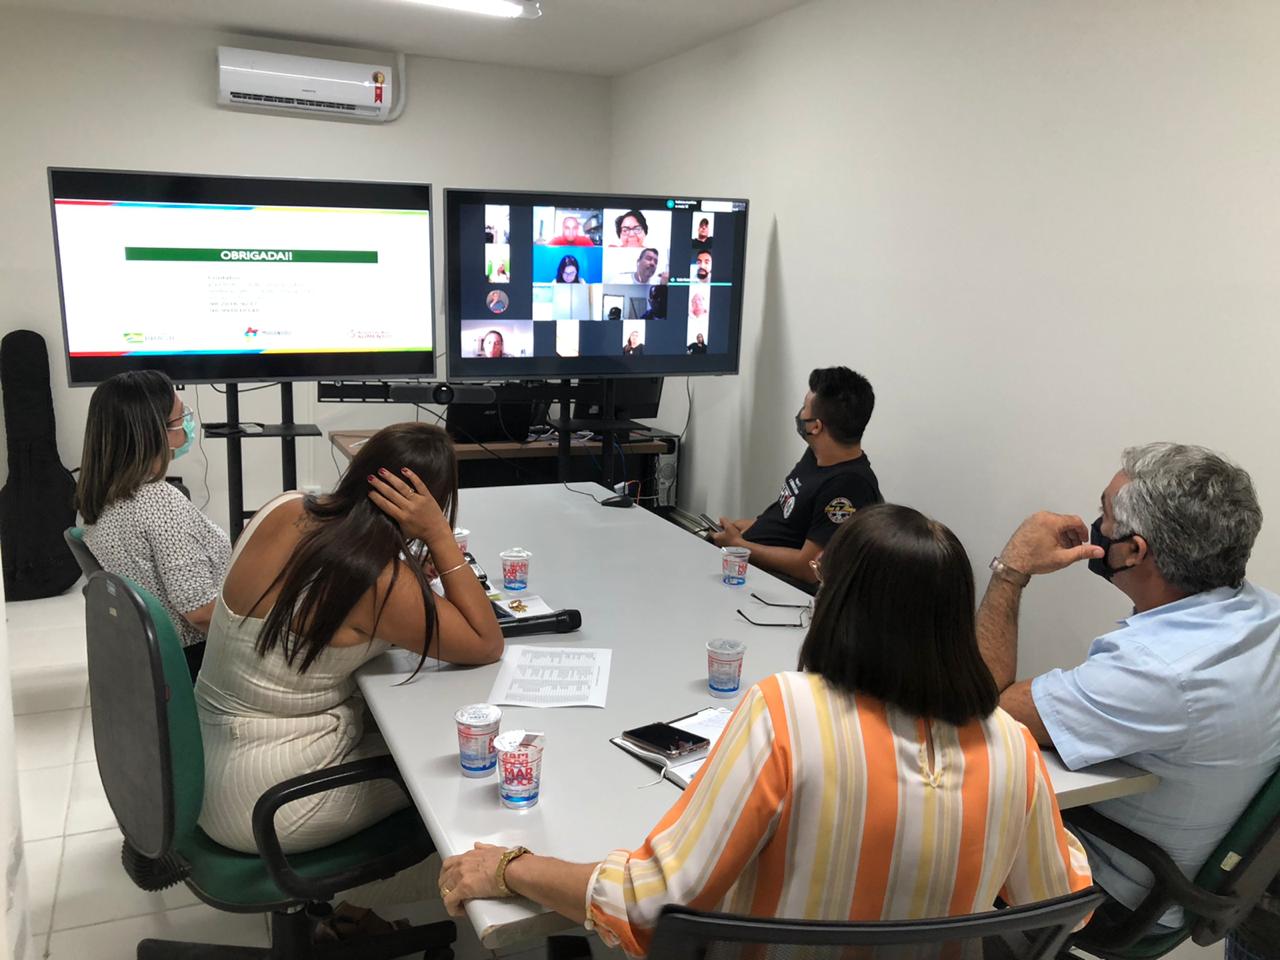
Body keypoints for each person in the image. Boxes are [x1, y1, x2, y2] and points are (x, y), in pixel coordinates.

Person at [438, 505, 1092, 956]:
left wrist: (513, 866)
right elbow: (1064, 902)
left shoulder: (788, 712)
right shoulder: (1007, 743)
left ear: (838, 607)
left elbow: (650, 904)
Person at [975, 443, 1280, 942]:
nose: (1096, 524)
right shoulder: (1266, 617)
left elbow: (989, 704)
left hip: (1118, 895)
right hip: (1188, 878)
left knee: (924, 808)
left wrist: (1012, 568)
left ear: (1134, 551)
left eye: (1106, 515)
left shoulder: (1158, 673)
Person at [196, 423, 503, 910]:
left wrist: (404, 568)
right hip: (272, 801)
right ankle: (395, 906)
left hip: (205, 766)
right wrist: (440, 540)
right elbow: (487, 643)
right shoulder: (375, 579)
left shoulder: (285, 507)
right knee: (464, 767)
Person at [79, 370, 230, 680]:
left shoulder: (101, 499)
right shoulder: (158, 501)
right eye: (182, 416)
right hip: (200, 663)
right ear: (153, 431)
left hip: (156, 662)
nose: (189, 422)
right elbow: (200, 612)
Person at [714, 367, 882, 586]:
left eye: (804, 407)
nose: (800, 413)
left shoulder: (848, 487)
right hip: (748, 557)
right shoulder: (817, 455)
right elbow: (790, 516)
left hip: (776, 585)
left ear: (815, 426)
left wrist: (740, 546)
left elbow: (810, 568)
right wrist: (746, 528)